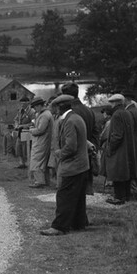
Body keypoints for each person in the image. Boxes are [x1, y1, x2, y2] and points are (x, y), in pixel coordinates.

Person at [41, 94, 90, 236]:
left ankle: (59, 226)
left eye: (55, 107)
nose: (54, 109)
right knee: (78, 196)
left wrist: (58, 154)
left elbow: (71, 146)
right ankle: (79, 223)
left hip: (72, 166)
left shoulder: (69, 121)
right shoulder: (76, 118)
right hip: (81, 165)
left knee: (64, 195)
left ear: (61, 107)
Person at [61, 82, 99, 195]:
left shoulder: (71, 113)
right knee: (86, 182)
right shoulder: (89, 110)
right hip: (88, 150)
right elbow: (95, 132)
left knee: (75, 187)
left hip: (75, 152)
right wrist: (93, 148)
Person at [102, 93, 137, 205]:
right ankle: (126, 196)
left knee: (117, 172)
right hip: (128, 148)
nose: (111, 105)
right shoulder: (127, 113)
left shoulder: (117, 115)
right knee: (126, 172)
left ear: (115, 103)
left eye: (112, 103)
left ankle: (118, 197)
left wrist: (110, 147)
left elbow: (117, 135)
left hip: (119, 149)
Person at [28, 96, 52, 188]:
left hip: (42, 142)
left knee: (37, 161)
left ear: (39, 106)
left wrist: (31, 130)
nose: (34, 109)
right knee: (41, 162)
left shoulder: (45, 115)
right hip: (42, 141)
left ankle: (39, 181)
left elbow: (40, 130)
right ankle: (43, 181)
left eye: (35, 107)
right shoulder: (43, 114)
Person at [12, 96, 32, 169]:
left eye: (24, 103)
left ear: (28, 103)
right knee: (18, 148)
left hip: (27, 133)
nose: (22, 105)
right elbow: (16, 119)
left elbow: (33, 123)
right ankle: (21, 163)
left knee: (26, 149)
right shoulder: (20, 111)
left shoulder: (31, 111)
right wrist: (16, 124)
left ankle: (27, 164)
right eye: (21, 103)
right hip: (20, 133)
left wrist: (23, 126)